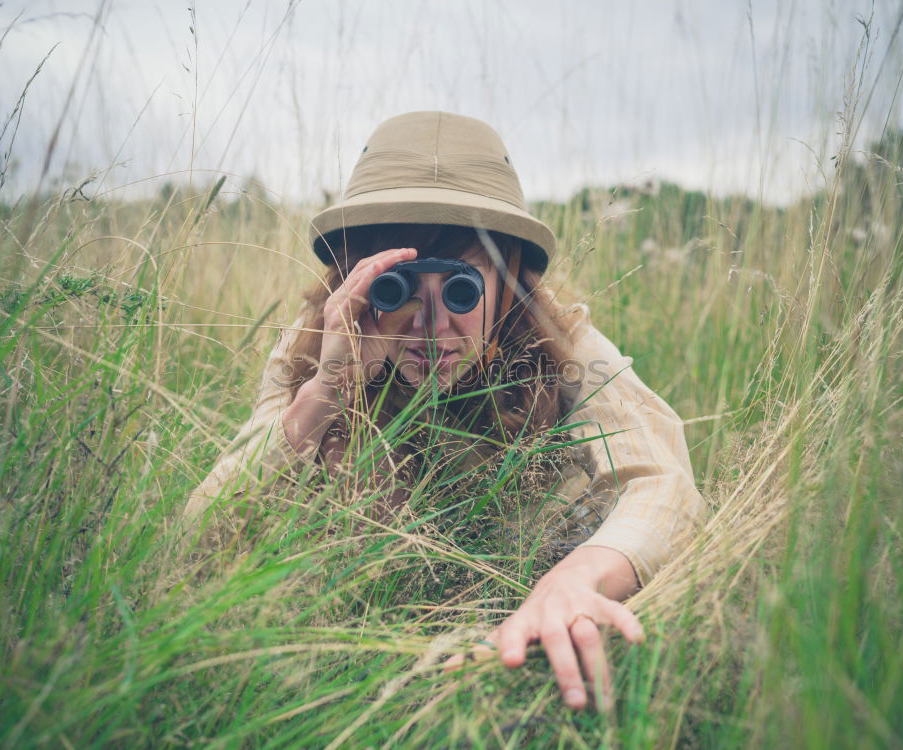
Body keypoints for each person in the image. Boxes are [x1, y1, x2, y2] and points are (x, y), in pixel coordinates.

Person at [181, 111, 706, 712]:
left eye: (462, 288)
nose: (431, 328)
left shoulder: (559, 340)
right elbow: (200, 532)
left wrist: (573, 582)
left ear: (508, 280)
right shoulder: (318, 341)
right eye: (396, 289)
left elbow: (663, 483)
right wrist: (326, 388)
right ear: (356, 277)